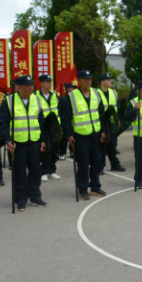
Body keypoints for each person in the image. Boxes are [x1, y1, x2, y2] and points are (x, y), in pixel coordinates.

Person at [0, 75, 48, 212]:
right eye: (27, 85)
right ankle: (20, 199)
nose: (30, 88)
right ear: (19, 87)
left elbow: (41, 122)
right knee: (19, 172)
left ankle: (35, 196)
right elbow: (2, 123)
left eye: (31, 85)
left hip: (34, 141)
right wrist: (7, 140)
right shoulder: (9, 101)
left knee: (35, 171)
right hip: (17, 143)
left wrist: (42, 140)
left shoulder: (36, 100)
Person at [61, 70, 107, 201]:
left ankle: (95, 187)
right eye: (85, 79)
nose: (88, 81)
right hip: (80, 136)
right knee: (83, 164)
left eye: (90, 79)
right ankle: (83, 189)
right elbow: (65, 117)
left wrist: (103, 130)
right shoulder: (71, 96)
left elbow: (101, 114)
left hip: (96, 134)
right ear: (79, 81)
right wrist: (68, 134)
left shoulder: (96, 93)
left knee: (97, 162)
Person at [36, 74, 62, 182]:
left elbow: (58, 110)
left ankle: (52, 171)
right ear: (41, 83)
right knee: (46, 149)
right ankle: (43, 172)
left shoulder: (54, 95)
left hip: (54, 125)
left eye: (50, 81)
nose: (49, 84)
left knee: (55, 149)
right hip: (43, 126)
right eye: (47, 82)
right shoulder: (35, 95)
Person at [98, 73, 125, 173]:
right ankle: (100, 167)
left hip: (112, 121)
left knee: (112, 144)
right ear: (102, 82)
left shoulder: (113, 92)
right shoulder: (96, 93)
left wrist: (117, 120)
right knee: (101, 144)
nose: (110, 81)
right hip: (102, 121)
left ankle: (115, 164)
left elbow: (117, 107)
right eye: (108, 79)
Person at [58, 83, 76, 160]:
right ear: (68, 89)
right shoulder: (63, 99)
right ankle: (62, 152)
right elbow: (59, 111)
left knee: (73, 136)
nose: (73, 90)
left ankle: (72, 151)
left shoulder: (76, 98)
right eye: (72, 88)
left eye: (74, 88)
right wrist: (60, 124)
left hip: (73, 120)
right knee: (64, 138)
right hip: (65, 120)